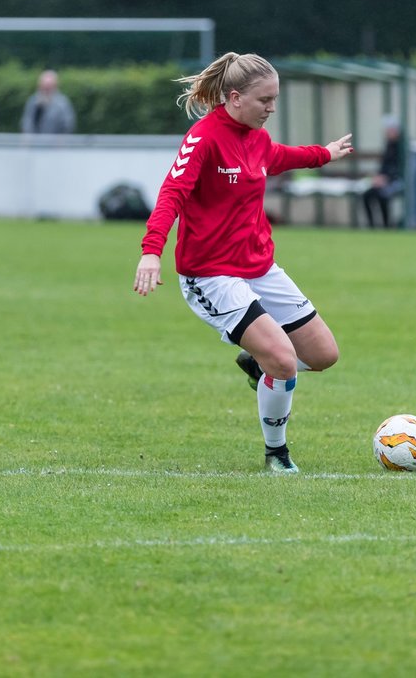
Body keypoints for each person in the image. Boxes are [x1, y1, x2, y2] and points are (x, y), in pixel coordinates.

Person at [132, 52, 354, 473]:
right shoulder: (204, 138)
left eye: (275, 100)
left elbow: (280, 157)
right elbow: (171, 194)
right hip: (211, 274)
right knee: (284, 361)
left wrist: (323, 154)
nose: (272, 108)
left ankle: (259, 365)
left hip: (259, 267)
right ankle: (277, 453)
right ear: (234, 97)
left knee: (324, 354)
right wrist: (151, 251)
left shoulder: (257, 137)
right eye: (264, 100)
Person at [361, 115, 405, 228]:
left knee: (383, 195)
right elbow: (384, 166)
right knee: (367, 195)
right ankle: (371, 226)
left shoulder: (402, 147)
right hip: (384, 181)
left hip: (396, 181)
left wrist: (387, 179)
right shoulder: (389, 145)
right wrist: (378, 177)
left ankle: (387, 226)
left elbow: (400, 168)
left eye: (390, 129)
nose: (387, 132)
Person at [21, 69, 76, 134]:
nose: (46, 90)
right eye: (44, 87)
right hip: (35, 141)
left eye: (49, 87)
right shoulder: (33, 101)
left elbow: (68, 124)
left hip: (56, 142)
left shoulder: (63, 103)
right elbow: (26, 123)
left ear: (55, 86)